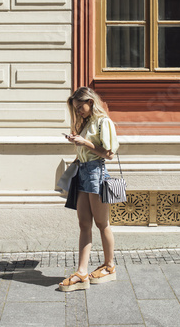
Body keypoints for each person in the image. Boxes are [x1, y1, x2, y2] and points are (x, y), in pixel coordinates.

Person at [59, 86, 119, 292]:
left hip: (97, 174)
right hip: (83, 173)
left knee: (102, 223)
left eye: (79, 108)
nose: (78, 112)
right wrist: (77, 143)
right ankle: (82, 272)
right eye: (75, 109)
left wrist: (84, 142)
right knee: (84, 223)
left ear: (91, 102)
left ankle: (110, 266)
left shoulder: (103, 122)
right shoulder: (85, 123)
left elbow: (109, 154)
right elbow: (85, 150)